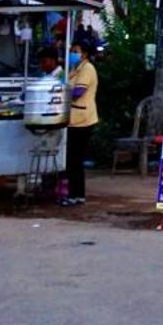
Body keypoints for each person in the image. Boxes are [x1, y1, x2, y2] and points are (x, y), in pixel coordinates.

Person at [61, 34, 99, 207]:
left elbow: (78, 92)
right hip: (74, 118)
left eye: (75, 51)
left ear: (84, 54)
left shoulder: (87, 69)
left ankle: (76, 195)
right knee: (72, 160)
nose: (72, 53)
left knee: (74, 159)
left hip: (82, 119)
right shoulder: (76, 68)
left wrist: (62, 94)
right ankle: (75, 194)